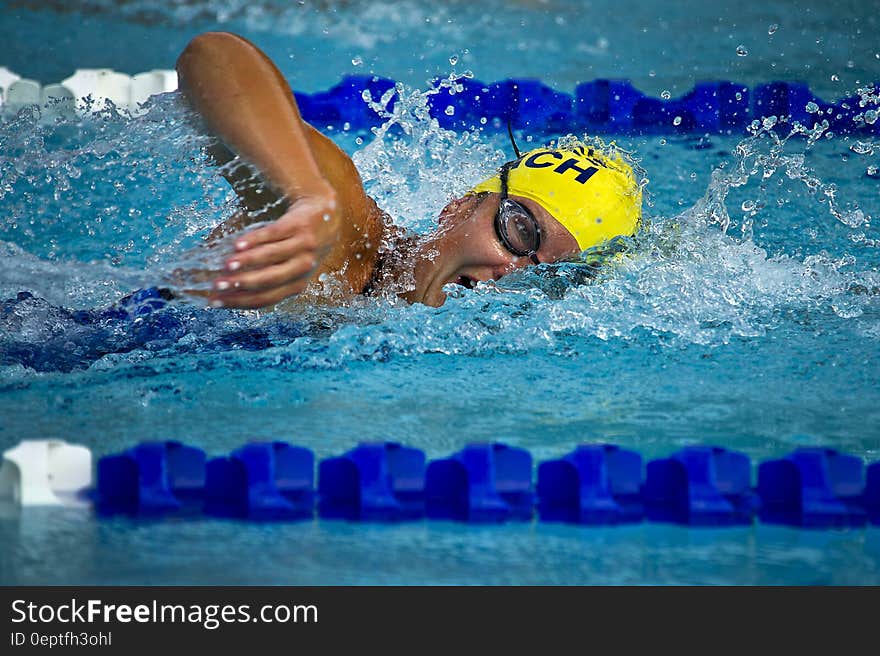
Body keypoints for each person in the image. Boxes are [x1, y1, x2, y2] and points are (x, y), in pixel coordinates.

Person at [175, 31, 643, 310]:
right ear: (459, 206)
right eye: (520, 232)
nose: (511, 272)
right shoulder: (342, 236)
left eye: (547, 276)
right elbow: (214, 57)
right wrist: (304, 195)